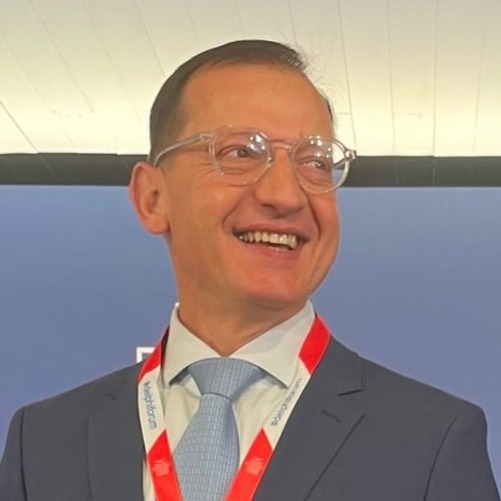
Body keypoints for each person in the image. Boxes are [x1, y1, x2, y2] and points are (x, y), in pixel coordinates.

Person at [0, 39, 499, 501]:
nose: (285, 195)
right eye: (240, 152)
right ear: (152, 198)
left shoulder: (432, 439)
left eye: (315, 162)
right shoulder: (42, 441)